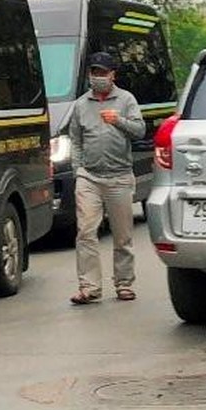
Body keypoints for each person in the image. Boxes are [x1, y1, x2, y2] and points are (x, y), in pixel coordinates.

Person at [68, 51, 146, 305]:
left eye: (103, 73)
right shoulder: (81, 105)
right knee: (86, 231)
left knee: (122, 235)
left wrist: (119, 121)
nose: (98, 77)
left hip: (119, 176)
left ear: (113, 75)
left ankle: (124, 283)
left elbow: (139, 131)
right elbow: (76, 141)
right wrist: (78, 169)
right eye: (94, 73)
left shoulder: (126, 100)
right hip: (89, 177)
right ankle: (89, 287)